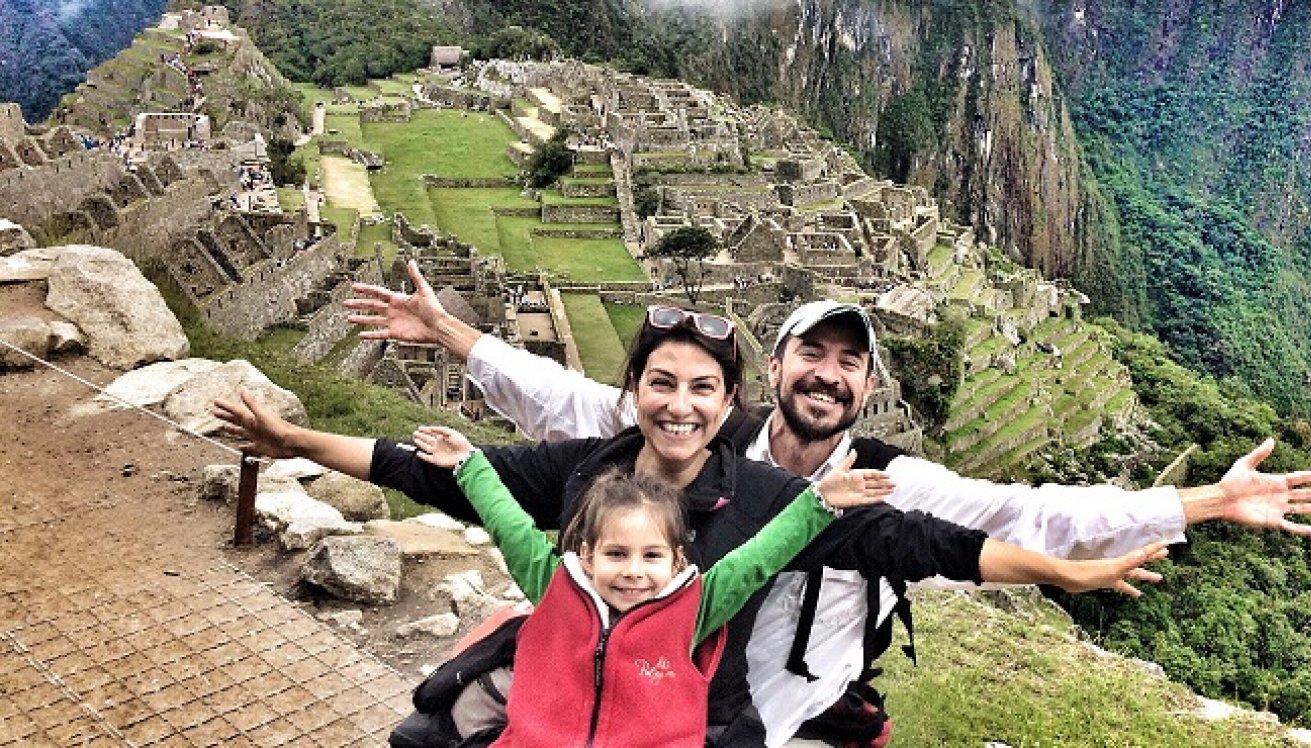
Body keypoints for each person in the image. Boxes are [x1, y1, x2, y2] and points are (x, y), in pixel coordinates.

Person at [343, 266, 1311, 746]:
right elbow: (568, 401)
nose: (826, 376)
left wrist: (1205, 499)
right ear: (773, 370)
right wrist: (455, 334)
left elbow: (1035, 509)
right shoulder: (706, 439)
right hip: (677, 693)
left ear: (867, 387)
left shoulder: (885, 484)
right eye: (810, 355)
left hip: (791, 707)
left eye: (847, 362)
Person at [213, 303, 1170, 747]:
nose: (678, 404)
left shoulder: (767, 504)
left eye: (701, 388)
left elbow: (928, 544)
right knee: (423, 736)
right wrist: (290, 435)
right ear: (632, 394)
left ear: (728, 403)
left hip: (691, 722)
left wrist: (1065, 573)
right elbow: (443, 476)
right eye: (660, 384)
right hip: (561, 698)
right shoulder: (585, 467)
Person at [407, 424, 892, 748]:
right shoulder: (555, 587)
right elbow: (510, 526)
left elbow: (758, 559)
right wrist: (469, 464)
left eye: (652, 556)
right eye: (616, 554)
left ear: (677, 560)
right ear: (587, 555)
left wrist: (819, 504)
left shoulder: (694, 607)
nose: (634, 571)